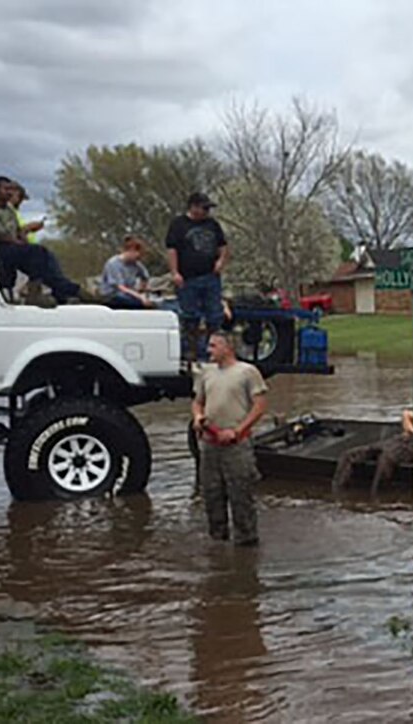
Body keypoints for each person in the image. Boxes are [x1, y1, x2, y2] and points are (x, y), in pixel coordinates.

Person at [192, 331, 268, 546]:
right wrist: (198, 417)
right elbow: (198, 402)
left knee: (241, 495)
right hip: (209, 445)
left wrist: (237, 431)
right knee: (211, 495)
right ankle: (218, 542)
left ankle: (246, 543)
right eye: (209, 345)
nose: (209, 350)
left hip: (236, 445)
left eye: (213, 346)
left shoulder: (247, 372)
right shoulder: (206, 373)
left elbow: (260, 405)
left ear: (228, 348)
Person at [0, 176, 89, 304]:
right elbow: (0, 236)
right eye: (5, 188)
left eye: (10, 189)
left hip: (12, 247)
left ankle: (68, 291)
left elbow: (18, 231)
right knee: (35, 252)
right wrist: (23, 245)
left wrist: (24, 241)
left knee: (44, 260)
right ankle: (33, 295)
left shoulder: (9, 210)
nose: (9, 192)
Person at [166, 192, 228, 361]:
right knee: (189, 316)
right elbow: (171, 249)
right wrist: (175, 272)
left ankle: (213, 351)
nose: (207, 211)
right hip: (187, 278)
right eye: (204, 207)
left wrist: (221, 261)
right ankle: (191, 352)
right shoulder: (178, 225)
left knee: (214, 315)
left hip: (210, 276)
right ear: (193, 207)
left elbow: (223, 246)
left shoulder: (212, 224)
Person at [332, 409, 413, 494]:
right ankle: (338, 490)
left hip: (406, 450)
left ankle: (377, 496)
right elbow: (406, 413)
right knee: (348, 455)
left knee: (385, 460)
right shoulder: (412, 430)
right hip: (388, 444)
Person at [101, 236, 153, 309]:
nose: (138, 260)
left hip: (128, 295)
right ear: (132, 250)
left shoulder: (136, 265)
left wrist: (143, 290)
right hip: (113, 295)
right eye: (138, 257)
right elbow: (121, 287)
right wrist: (140, 297)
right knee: (137, 304)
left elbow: (145, 277)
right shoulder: (113, 264)